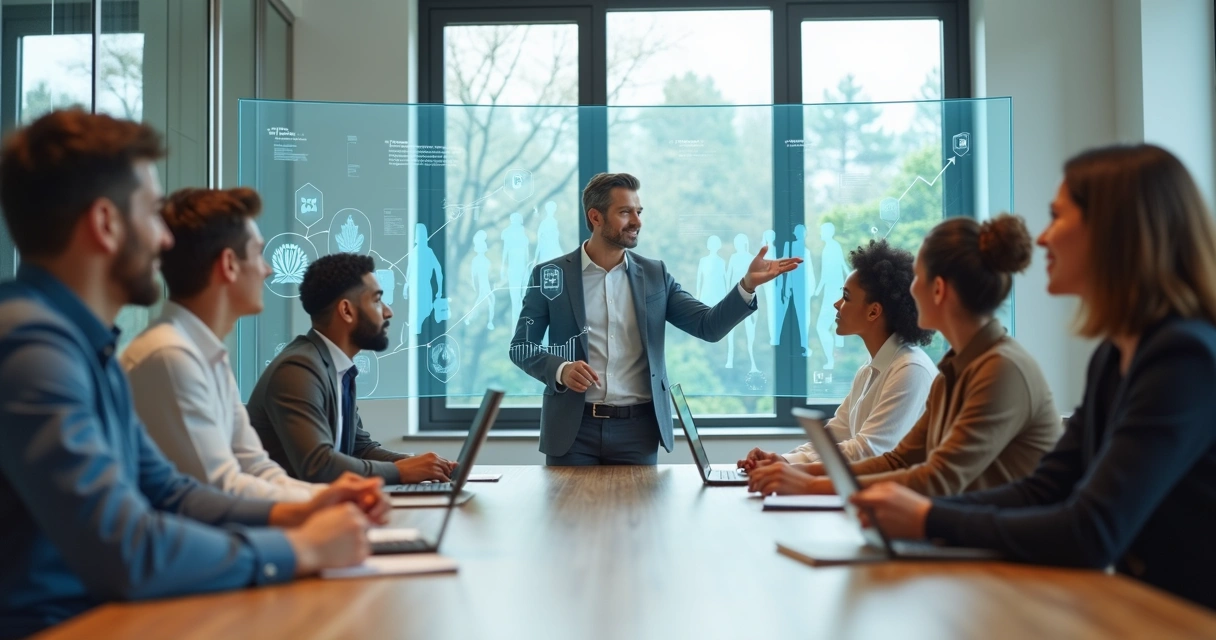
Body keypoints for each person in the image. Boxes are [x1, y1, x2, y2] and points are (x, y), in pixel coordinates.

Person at [0, 110, 383, 639]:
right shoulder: (31, 349)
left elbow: (171, 492)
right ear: (106, 223)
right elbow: (126, 548)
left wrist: (301, 514)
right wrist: (300, 547)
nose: (163, 241)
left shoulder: (88, 348)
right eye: (152, 214)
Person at [851, 145, 1216, 611]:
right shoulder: (1113, 355)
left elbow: (1091, 530)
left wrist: (929, 520)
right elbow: (1044, 490)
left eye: (1057, 216)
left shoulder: (1183, 359)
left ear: (1115, 231)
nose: (1042, 238)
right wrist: (922, 514)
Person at [748, 214, 1062, 496]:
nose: (910, 292)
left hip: (1005, 552)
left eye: (918, 278)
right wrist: (796, 471)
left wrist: (809, 484)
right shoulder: (953, 370)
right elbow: (898, 460)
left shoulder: (1000, 369)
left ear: (938, 289)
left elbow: (938, 479)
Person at [509, 173, 801, 465]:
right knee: (570, 511)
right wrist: (560, 369)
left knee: (642, 513)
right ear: (595, 217)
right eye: (625, 212)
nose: (637, 221)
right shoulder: (551, 275)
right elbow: (521, 346)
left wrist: (747, 285)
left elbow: (708, 326)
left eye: (639, 211)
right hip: (572, 431)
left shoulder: (654, 275)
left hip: (638, 432)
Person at [122, 187, 323, 501]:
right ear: (229, 264)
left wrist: (329, 498)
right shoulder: (171, 355)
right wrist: (325, 504)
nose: (267, 269)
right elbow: (221, 487)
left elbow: (257, 468)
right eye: (258, 253)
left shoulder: (203, 351)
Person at [247, 252, 455, 483]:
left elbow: (360, 449)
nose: (388, 312)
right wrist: (402, 471)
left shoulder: (335, 367)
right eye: (376, 300)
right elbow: (319, 465)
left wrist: (424, 465)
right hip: (285, 515)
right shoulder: (298, 369)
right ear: (346, 311)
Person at [738, 240, 935, 468]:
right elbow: (835, 436)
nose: (836, 304)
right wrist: (783, 460)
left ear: (874, 311)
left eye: (846, 297)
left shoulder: (910, 370)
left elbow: (868, 450)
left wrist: (790, 470)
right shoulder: (870, 370)